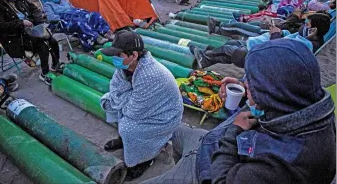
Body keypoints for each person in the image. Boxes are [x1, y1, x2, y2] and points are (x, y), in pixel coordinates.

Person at [141, 38, 336, 184]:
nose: (245, 84)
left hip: (207, 170)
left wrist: (235, 131)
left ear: (271, 94)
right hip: (208, 142)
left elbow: (221, 180)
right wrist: (245, 93)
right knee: (174, 128)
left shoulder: (281, 163)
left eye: (252, 83)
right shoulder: (308, 107)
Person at [99, 30, 183, 180]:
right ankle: (125, 142)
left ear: (134, 55)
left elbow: (134, 112)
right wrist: (122, 99)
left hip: (164, 115)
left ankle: (144, 159)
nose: (114, 58)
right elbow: (115, 87)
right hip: (142, 105)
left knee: (128, 127)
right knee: (108, 102)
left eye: (119, 55)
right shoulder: (126, 66)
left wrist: (122, 100)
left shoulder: (150, 74)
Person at [191, 12, 331, 68]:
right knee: (231, 44)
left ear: (314, 30)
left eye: (307, 25)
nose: (304, 26)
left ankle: (206, 57)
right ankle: (207, 59)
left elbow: (281, 50)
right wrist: (280, 31)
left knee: (231, 49)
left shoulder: (307, 45)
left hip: (264, 56)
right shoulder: (305, 38)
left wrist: (276, 34)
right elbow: (289, 37)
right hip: (263, 45)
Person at [0, 0, 61, 84]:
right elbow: (2, 26)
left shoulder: (21, 1)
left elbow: (35, 10)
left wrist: (39, 23)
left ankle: (55, 65)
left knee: (53, 41)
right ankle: (45, 73)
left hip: (31, 31)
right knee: (42, 45)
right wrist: (21, 22)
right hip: (15, 38)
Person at [44, 0, 110, 51]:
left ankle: (104, 33)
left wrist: (77, 14)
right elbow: (50, 18)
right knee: (79, 22)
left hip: (74, 16)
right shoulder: (48, 5)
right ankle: (95, 39)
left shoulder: (66, 2)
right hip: (62, 22)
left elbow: (74, 9)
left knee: (95, 15)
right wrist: (66, 16)